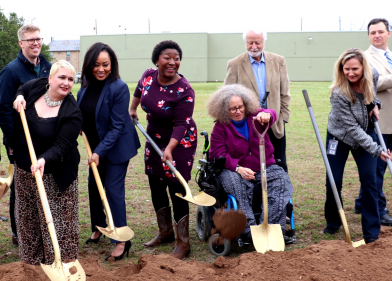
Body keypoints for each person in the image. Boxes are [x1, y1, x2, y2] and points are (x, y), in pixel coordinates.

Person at [130, 40, 197, 260]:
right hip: (154, 137)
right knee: (156, 183)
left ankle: (183, 242)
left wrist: (169, 148)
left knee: (176, 188)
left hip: (179, 143)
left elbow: (181, 124)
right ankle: (165, 231)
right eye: (167, 57)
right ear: (157, 60)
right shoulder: (149, 75)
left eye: (176, 58)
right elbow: (140, 90)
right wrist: (133, 108)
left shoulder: (184, 90)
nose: (172, 62)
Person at [11, 60, 82, 265]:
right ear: (50, 78)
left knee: (57, 221)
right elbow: (22, 88)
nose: (66, 83)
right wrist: (19, 97)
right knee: (28, 219)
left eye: (71, 79)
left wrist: (43, 160)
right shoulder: (36, 86)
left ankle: (59, 263)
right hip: (25, 169)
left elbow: (62, 146)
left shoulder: (72, 112)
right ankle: (31, 264)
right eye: (62, 77)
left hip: (55, 172)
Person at [207, 84, 293, 244]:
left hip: (265, 165)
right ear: (224, 110)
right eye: (232, 109)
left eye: (240, 107)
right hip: (236, 170)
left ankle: (272, 227)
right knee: (235, 185)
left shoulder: (256, 116)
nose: (237, 111)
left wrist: (267, 115)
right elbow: (217, 154)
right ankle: (248, 230)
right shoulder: (220, 127)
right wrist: (238, 168)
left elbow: (272, 114)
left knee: (281, 181)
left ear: (246, 105)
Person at [77, 43, 140, 261]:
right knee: (94, 186)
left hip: (116, 147)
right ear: (88, 66)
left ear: (112, 65)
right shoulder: (85, 85)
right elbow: (81, 113)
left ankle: (121, 239)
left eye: (105, 64)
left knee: (112, 190)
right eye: (96, 65)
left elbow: (117, 127)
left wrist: (99, 152)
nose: (101, 69)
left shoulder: (119, 87)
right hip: (95, 145)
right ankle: (99, 227)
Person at [323, 48, 392, 244]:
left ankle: (371, 232)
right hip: (339, 136)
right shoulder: (338, 93)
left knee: (370, 181)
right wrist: (376, 149)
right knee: (334, 180)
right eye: (346, 69)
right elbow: (352, 128)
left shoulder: (374, 76)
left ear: (364, 67)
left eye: (355, 69)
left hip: (366, 130)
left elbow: (372, 97)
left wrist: (376, 105)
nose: (350, 73)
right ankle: (333, 221)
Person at [0, 24, 52, 246]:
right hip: (20, 140)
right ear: (21, 43)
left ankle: (42, 227)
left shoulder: (49, 67)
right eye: (30, 40)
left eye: (38, 39)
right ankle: (17, 231)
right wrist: (13, 140)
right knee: (21, 187)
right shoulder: (10, 71)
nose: (36, 43)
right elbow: (3, 109)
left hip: (45, 138)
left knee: (44, 182)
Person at [356, 18, 392, 226]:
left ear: (389, 33)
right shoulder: (364, 57)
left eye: (380, 31)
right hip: (376, 120)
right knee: (378, 166)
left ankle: (363, 201)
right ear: (369, 36)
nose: (376, 35)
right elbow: (372, 82)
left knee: (378, 167)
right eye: (372, 33)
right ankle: (378, 208)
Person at [224, 28, 291, 173]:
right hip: (248, 125)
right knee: (253, 164)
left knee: (279, 163)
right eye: (250, 43)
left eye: (257, 42)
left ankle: (281, 194)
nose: (254, 46)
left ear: (264, 42)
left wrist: (283, 119)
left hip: (274, 123)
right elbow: (227, 95)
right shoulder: (235, 64)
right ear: (245, 43)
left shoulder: (279, 61)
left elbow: (284, 92)